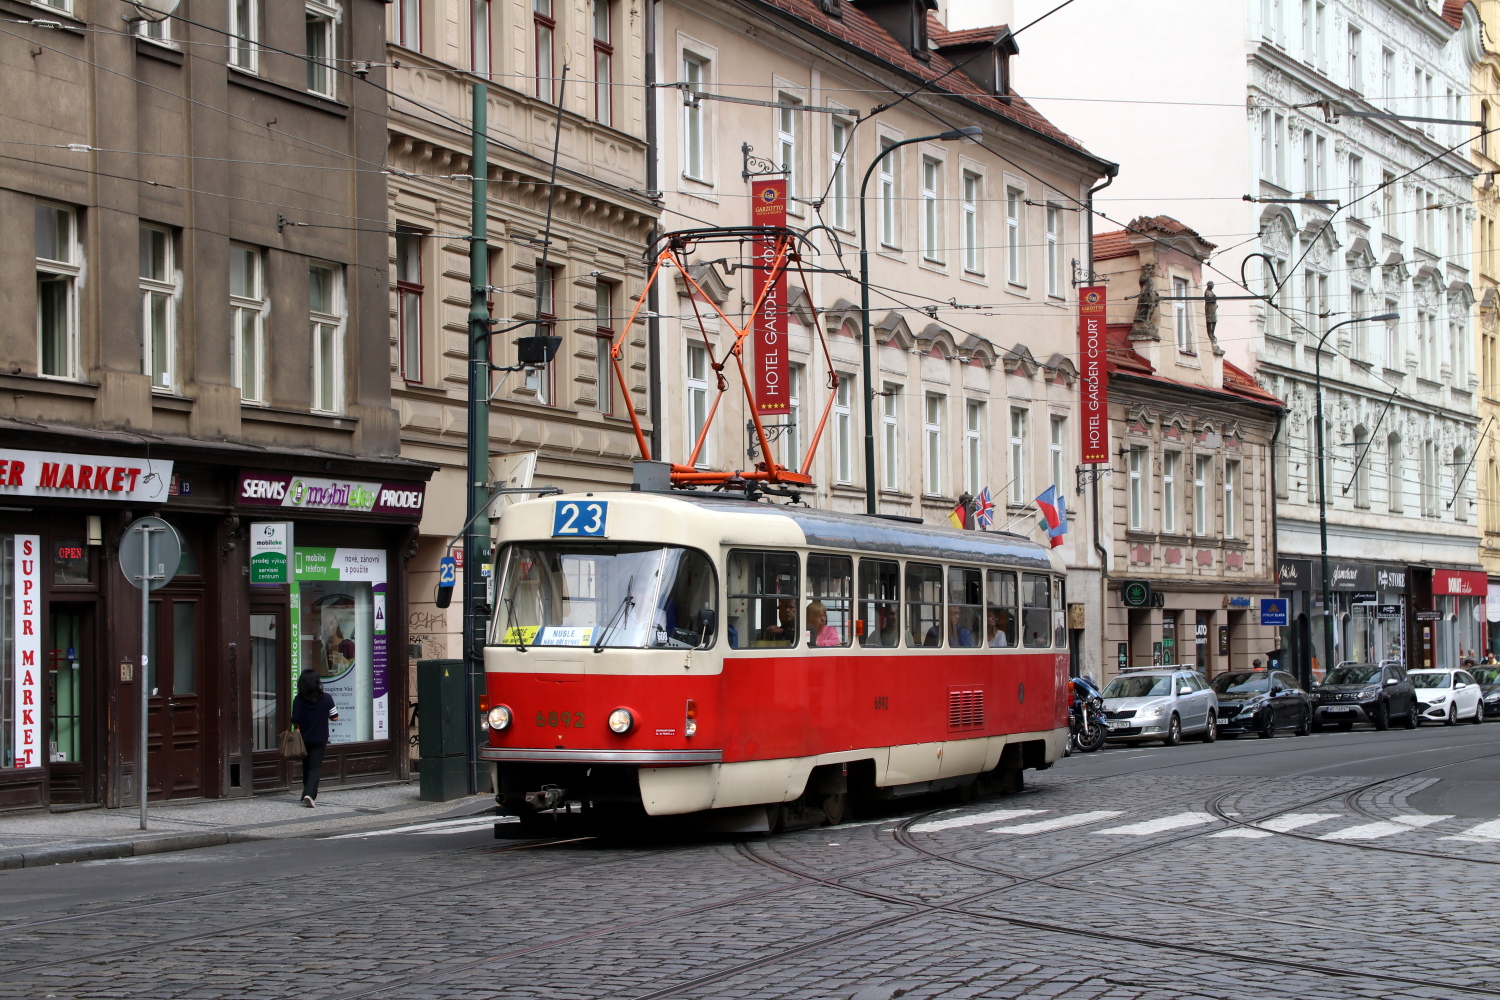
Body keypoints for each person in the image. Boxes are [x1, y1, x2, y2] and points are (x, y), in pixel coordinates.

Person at [290, 668, 339, 808]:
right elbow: (335, 717)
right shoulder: (327, 698)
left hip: (304, 738)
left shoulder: (298, 699)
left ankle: (307, 791)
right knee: (315, 767)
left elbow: (295, 720)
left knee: (306, 766)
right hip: (320, 737)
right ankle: (310, 794)